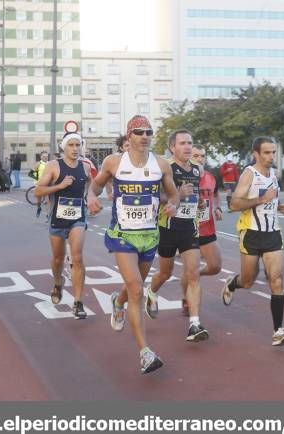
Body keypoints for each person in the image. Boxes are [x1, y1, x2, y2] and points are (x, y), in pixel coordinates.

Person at [87, 115, 179, 374]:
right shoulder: (114, 162)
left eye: (149, 131)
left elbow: (172, 194)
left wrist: (173, 204)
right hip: (122, 235)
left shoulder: (161, 164)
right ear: (129, 136)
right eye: (139, 131)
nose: (145, 135)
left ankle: (118, 301)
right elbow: (93, 187)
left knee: (133, 287)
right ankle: (145, 353)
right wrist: (91, 198)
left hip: (149, 235)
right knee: (137, 290)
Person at [221, 136, 284, 346]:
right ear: (256, 154)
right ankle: (233, 283)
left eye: (273, 152)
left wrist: (277, 205)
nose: (272, 156)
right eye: (267, 152)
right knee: (248, 280)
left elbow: (271, 196)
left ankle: (278, 331)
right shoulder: (248, 174)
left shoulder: (274, 173)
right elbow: (234, 204)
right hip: (251, 233)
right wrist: (262, 199)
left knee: (277, 280)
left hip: (272, 233)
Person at [145, 129, 210, 343]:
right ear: (173, 147)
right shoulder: (165, 168)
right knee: (165, 273)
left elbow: (195, 194)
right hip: (167, 227)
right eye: (182, 143)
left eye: (190, 142)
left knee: (193, 275)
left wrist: (198, 202)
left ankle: (194, 323)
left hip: (189, 228)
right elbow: (155, 195)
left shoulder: (198, 170)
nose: (188, 147)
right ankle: (152, 292)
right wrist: (177, 196)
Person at [35, 132, 91, 320]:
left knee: (77, 257)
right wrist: (59, 186)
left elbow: (90, 185)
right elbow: (38, 190)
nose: (75, 149)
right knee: (58, 259)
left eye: (78, 145)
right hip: (57, 220)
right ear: (64, 147)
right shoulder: (53, 166)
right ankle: (58, 282)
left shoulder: (85, 167)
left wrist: (89, 197)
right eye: (71, 145)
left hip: (78, 218)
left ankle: (77, 302)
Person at [183, 144, 223, 315]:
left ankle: (192, 275)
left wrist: (218, 208)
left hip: (207, 228)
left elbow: (215, 194)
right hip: (188, 229)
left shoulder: (210, 177)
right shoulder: (182, 177)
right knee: (187, 271)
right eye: (196, 156)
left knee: (215, 267)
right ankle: (187, 300)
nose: (200, 159)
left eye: (202, 156)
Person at [33, 152, 49, 218]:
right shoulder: (38, 164)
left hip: (48, 185)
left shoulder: (50, 164)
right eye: (44, 156)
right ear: (41, 157)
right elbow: (33, 174)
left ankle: (48, 214)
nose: (45, 157)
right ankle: (39, 208)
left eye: (47, 156)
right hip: (39, 185)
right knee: (39, 200)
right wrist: (35, 183)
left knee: (47, 200)